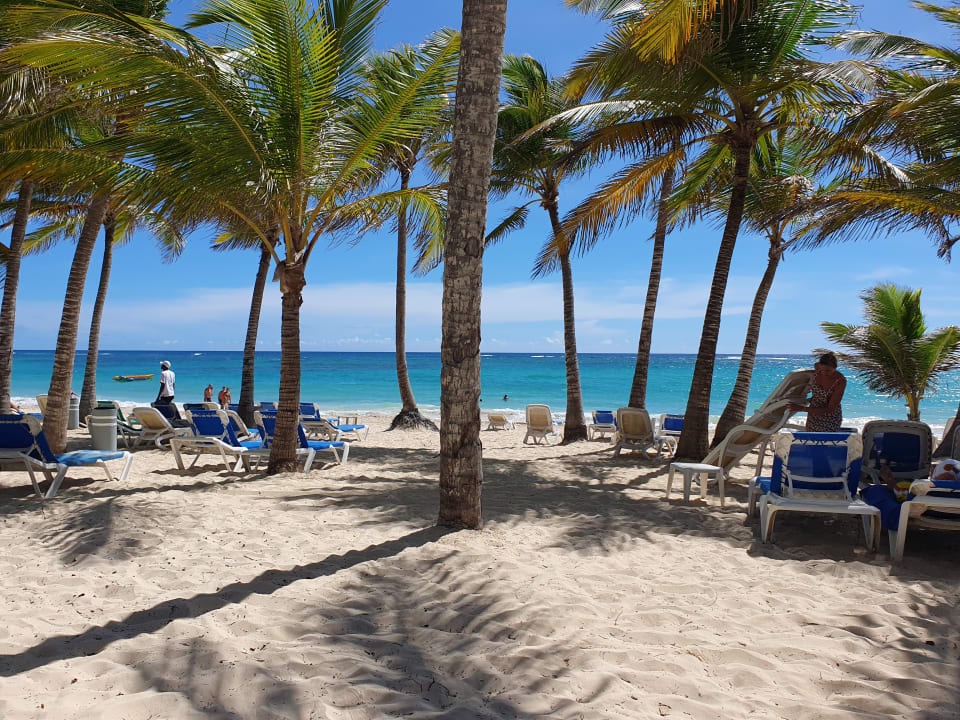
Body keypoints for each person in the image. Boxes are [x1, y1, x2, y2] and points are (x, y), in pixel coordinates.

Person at [787, 352, 846, 432]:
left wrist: (802, 409)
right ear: (820, 366)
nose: (825, 373)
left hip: (830, 418)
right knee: (811, 440)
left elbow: (830, 409)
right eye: (823, 370)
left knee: (824, 440)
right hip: (813, 414)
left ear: (835, 368)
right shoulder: (817, 369)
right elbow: (816, 364)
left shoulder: (840, 381)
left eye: (828, 371)